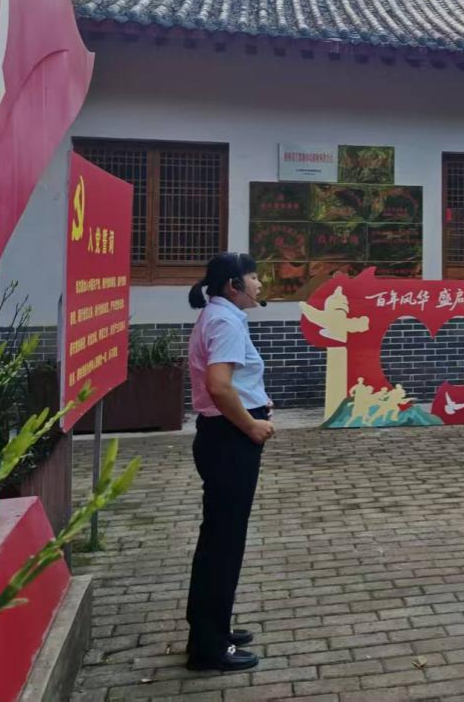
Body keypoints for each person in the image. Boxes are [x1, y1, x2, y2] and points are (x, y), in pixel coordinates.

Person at [185, 252, 276, 672]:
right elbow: (219, 386)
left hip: (222, 435)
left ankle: (211, 628)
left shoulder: (220, 316)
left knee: (219, 537)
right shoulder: (224, 322)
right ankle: (208, 646)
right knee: (223, 542)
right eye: (253, 277)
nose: (259, 284)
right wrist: (251, 426)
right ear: (233, 285)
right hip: (229, 439)